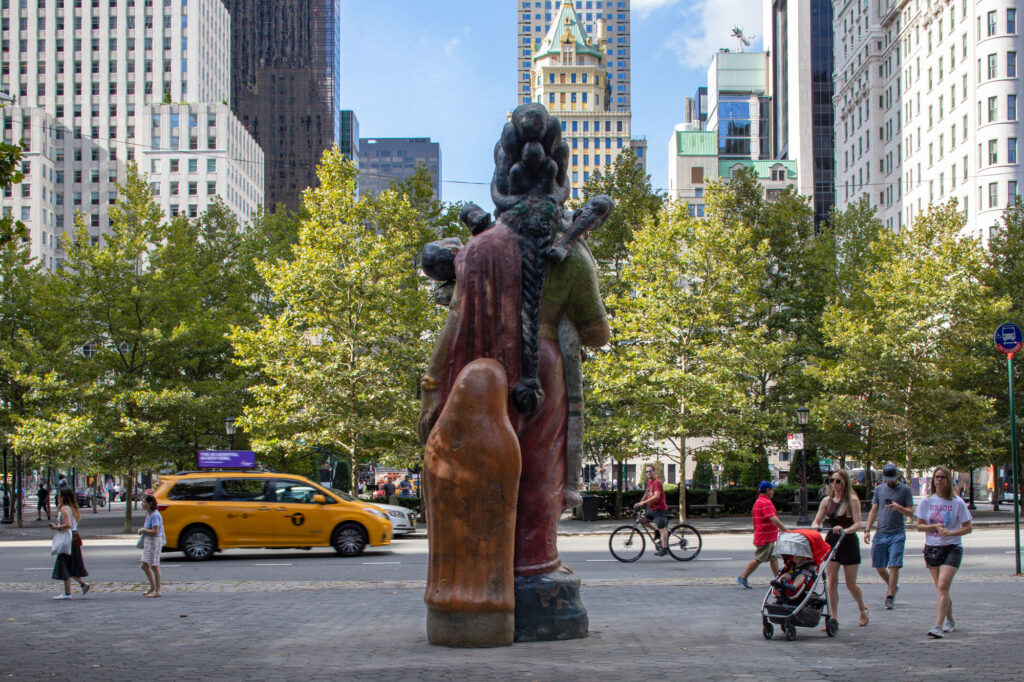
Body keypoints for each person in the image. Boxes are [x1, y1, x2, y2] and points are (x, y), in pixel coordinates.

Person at [915, 465, 972, 638]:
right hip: (932, 547)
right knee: (942, 589)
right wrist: (932, 526)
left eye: (942, 477)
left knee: (942, 585)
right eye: (937, 477)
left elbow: (968, 528)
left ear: (948, 480)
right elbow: (918, 526)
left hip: (952, 547)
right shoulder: (927, 501)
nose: (939, 480)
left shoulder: (957, 502)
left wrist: (951, 532)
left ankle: (938, 626)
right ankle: (950, 619)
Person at [812, 469, 869, 627]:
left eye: (838, 481)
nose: (835, 484)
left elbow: (858, 523)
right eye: (832, 481)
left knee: (851, 583)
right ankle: (833, 617)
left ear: (844, 482)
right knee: (831, 580)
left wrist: (845, 530)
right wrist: (816, 526)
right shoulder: (827, 501)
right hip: (832, 541)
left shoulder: (852, 500)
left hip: (848, 541)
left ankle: (862, 608)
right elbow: (817, 520)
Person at [864, 463, 914, 609]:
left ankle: (890, 596)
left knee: (894, 565)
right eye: (887, 479)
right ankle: (893, 585)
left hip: (897, 533)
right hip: (881, 532)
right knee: (879, 565)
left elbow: (911, 512)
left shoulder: (905, 490)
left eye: (891, 479)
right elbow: (874, 511)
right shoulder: (879, 489)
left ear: (897, 476)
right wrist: (867, 529)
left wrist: (898, 507)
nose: (889, 482)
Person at [737, 481, 788, 588]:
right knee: (759, 558)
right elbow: (773, 518)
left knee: (773, 558)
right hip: (765, 537)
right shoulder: (766, 503)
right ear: (768, 490)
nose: (773, 492)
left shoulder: (759, 501)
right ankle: (743, 577)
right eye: (772, 489)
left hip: (765, 535)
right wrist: (784, 528)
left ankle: (778, 580)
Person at [49, 488, 89, 599]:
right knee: (69, 563)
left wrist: (56, 527)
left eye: (59, 495)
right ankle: (80, 585)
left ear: (63, 497)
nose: (57, 497)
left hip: (68, 538)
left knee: (64, 563)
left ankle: (68, 592)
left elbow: (68, 524)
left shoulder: (65, 509)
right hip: (74, 537)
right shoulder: (72, 508)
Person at [634, 466, 670, 556]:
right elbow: (647, 492)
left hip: (660, 509)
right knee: (643, 520)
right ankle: (656, 531)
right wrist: (640, 502)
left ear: (654, 472)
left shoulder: (657, 482)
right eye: (647, 471)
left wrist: (643, 503)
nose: (648, 473)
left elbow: (656, 496)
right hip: (653, 509)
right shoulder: (650, 482)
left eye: (650, 471)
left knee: (662, 528)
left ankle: (665, 548)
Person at [138, 494, 164, 598]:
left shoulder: (155, 515)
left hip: (154, 541)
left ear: (150, 503)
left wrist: (143, 530)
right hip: (149, 541)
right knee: (144, 565)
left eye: (144, 502)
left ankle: (157, 590)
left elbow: (155, 531)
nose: (142, 504)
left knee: (154, 565)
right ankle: (152, 587)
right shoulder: (149, 514)